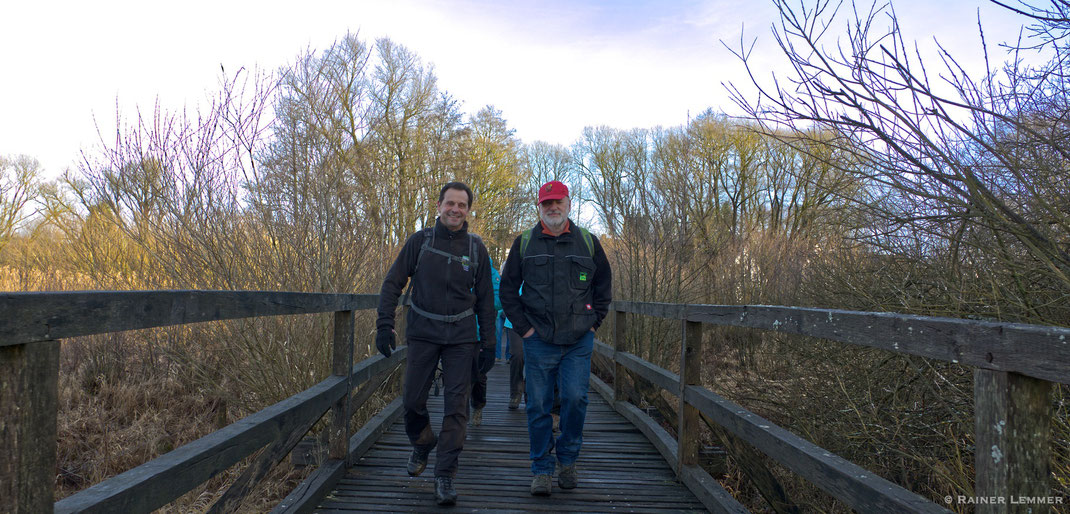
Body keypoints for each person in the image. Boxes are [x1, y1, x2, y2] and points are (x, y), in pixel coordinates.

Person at [376, 181, 496, 506]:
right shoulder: (420, 242)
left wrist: (489, 343)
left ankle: (444, 475)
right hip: (423, 332)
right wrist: (384, 325)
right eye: (450, 203)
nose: (455, 209)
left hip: (461, 338)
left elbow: (486, 300)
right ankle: (422, 442)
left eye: (462, 205)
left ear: (468, 210)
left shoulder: (476, 249)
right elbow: (392, 283)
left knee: (456, 409)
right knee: (412, 401)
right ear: (439, 205)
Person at [499, 180, 612, 497]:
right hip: (539, 339)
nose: (553, 208)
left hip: (578, 340)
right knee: (537, 405)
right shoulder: (524, 243)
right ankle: (541, 470)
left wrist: (594, 323)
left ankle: (567, 461)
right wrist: (525, 329)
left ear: (568, 204)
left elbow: (604, 287)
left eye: (558, 202)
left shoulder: (588, 243)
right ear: (539, 206)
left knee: (576, 399)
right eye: (547, 203)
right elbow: (507, 291)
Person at [468, 257, 501, 426]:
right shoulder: (459, 264)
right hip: (458, 333)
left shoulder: (492, 273)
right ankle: (458, 418)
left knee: (479, 375)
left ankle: (478, 406)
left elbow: (498, 300)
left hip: (482, 334)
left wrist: (476, 302)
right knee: (458, 375)